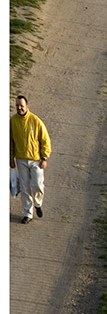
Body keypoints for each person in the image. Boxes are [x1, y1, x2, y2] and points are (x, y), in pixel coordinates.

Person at [10, 95, 51, 223]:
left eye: (21, 105)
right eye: (17, 105)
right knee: (25, 187)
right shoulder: (13, 121)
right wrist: (11, 158)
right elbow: (9, 141)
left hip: (36, 160)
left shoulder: (35, 121)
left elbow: (45, 140)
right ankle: (28, 213)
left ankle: (38, 204)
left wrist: (44, 157)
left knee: (37, 185)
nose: (19, 108)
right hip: (21, 159)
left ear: (27, 106)